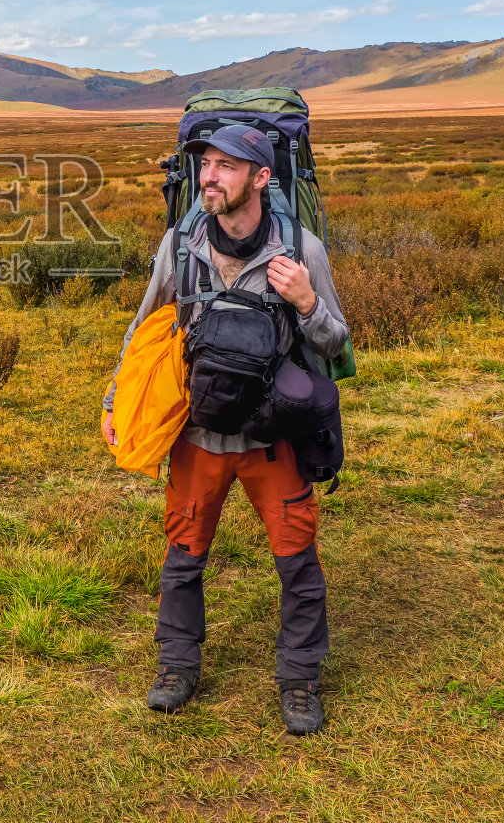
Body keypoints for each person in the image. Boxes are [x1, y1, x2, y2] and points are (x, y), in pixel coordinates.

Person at [102, 124, 349, 735]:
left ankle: (299, 680)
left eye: (226, 166)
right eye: (205, 164)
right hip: (199, 435)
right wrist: (115, 400)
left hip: (272, 441)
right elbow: (144, 330)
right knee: (183, 556)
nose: (209, 176)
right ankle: (177, 667)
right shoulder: (179, 247)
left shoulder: (302, 250)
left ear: (261, 178)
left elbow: (337, 343)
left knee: (297, 561)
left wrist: (307, 303)